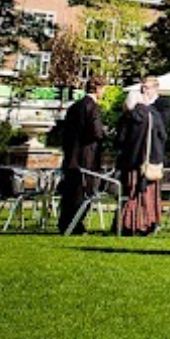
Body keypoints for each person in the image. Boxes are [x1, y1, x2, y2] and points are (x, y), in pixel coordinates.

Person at [115, 76, 170, 236]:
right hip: (142, 160)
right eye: (143, 87)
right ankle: (140, 222)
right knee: (140, 194)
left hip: (142, 160)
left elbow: (121, 138)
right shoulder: (147, 114)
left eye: (147, 87)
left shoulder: (159, 108)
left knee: (139, 193)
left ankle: (137, 223)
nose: (144, 90)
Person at [54, 76, 105, 233]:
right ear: (98, 89)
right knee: (83, 193)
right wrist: (104, 133)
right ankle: (76, 224)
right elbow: (96, 132)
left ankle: (65, 222)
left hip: (71, 156)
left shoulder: (74, 107)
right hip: (86, 156)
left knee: (70, 193)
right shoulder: (93, 107)